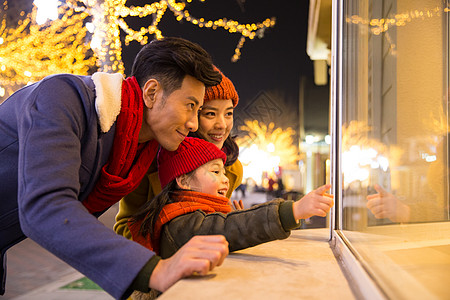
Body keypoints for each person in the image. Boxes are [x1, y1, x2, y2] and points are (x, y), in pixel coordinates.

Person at [0, 37, 230, 299]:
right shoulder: (61, 98)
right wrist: (155, 270)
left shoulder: (138, 149)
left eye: (199, 110)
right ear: (152, 93)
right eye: (190, 106)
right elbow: (45, 207)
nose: (193, 123)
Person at [129, 136, 334, 261]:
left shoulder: (190, 214)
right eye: (216, 172)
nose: (225, 180)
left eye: (224, 173)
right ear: (183, 180)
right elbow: (229, 229)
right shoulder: (178, 222)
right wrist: (292, 211)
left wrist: (231, 215)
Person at [114, 66, 244, 239]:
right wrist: (171, 243)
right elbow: (124, 227)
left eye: (228, 114)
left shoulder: (232, 169)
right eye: (210, 114)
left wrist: (234, 224)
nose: (222, 124)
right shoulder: (148, 160)